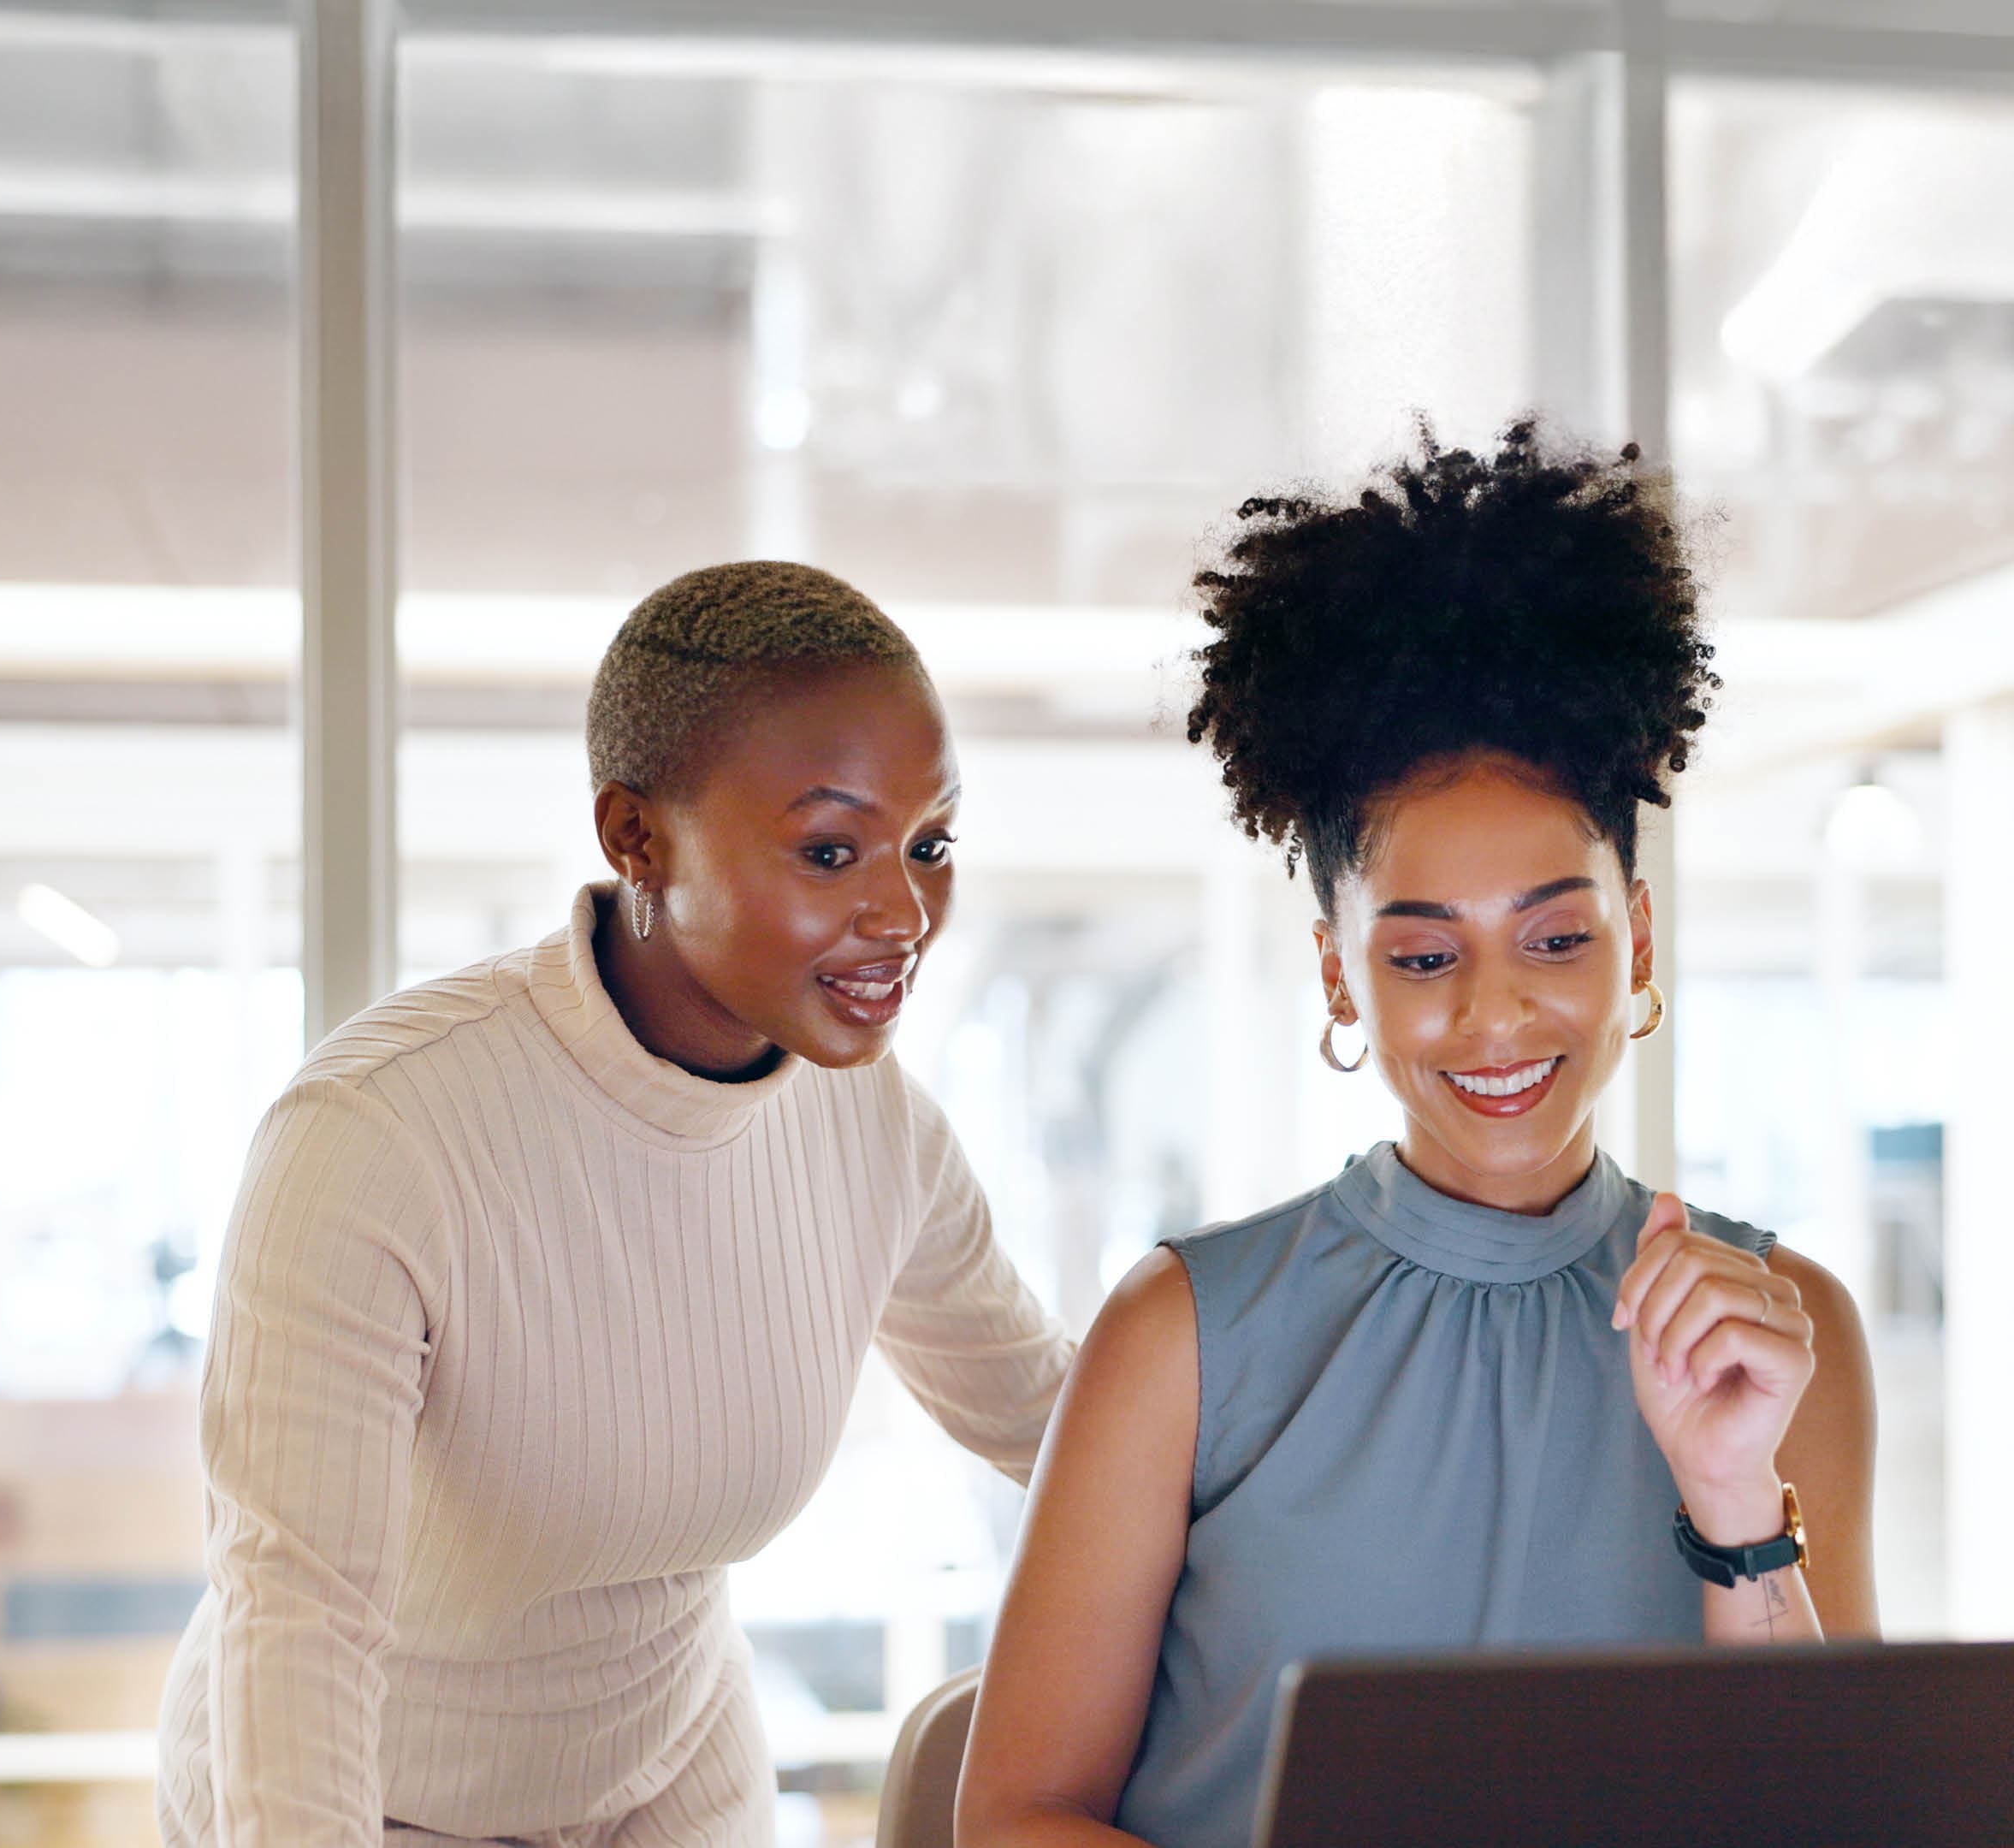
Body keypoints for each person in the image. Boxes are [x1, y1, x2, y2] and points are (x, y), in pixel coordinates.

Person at [954, 424, 1881, 1848]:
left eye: (1556, 937)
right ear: (1340, 974)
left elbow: (1844, 1821)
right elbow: (1017, 1817)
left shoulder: (1780, 1328)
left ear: (1635, 939)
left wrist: (1736, 1496)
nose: (1499, 1015)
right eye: (1424, 959)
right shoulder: (1181, 1341)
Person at [157, 561, 1075, 1848]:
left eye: (929, 845)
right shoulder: (377, 1136)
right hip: (361, 1799)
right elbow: (297, 1620)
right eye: (829, 850)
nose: (904, 913)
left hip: (671, 1785)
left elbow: (1068, 1433)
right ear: (635, 837)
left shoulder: (876, 1130)